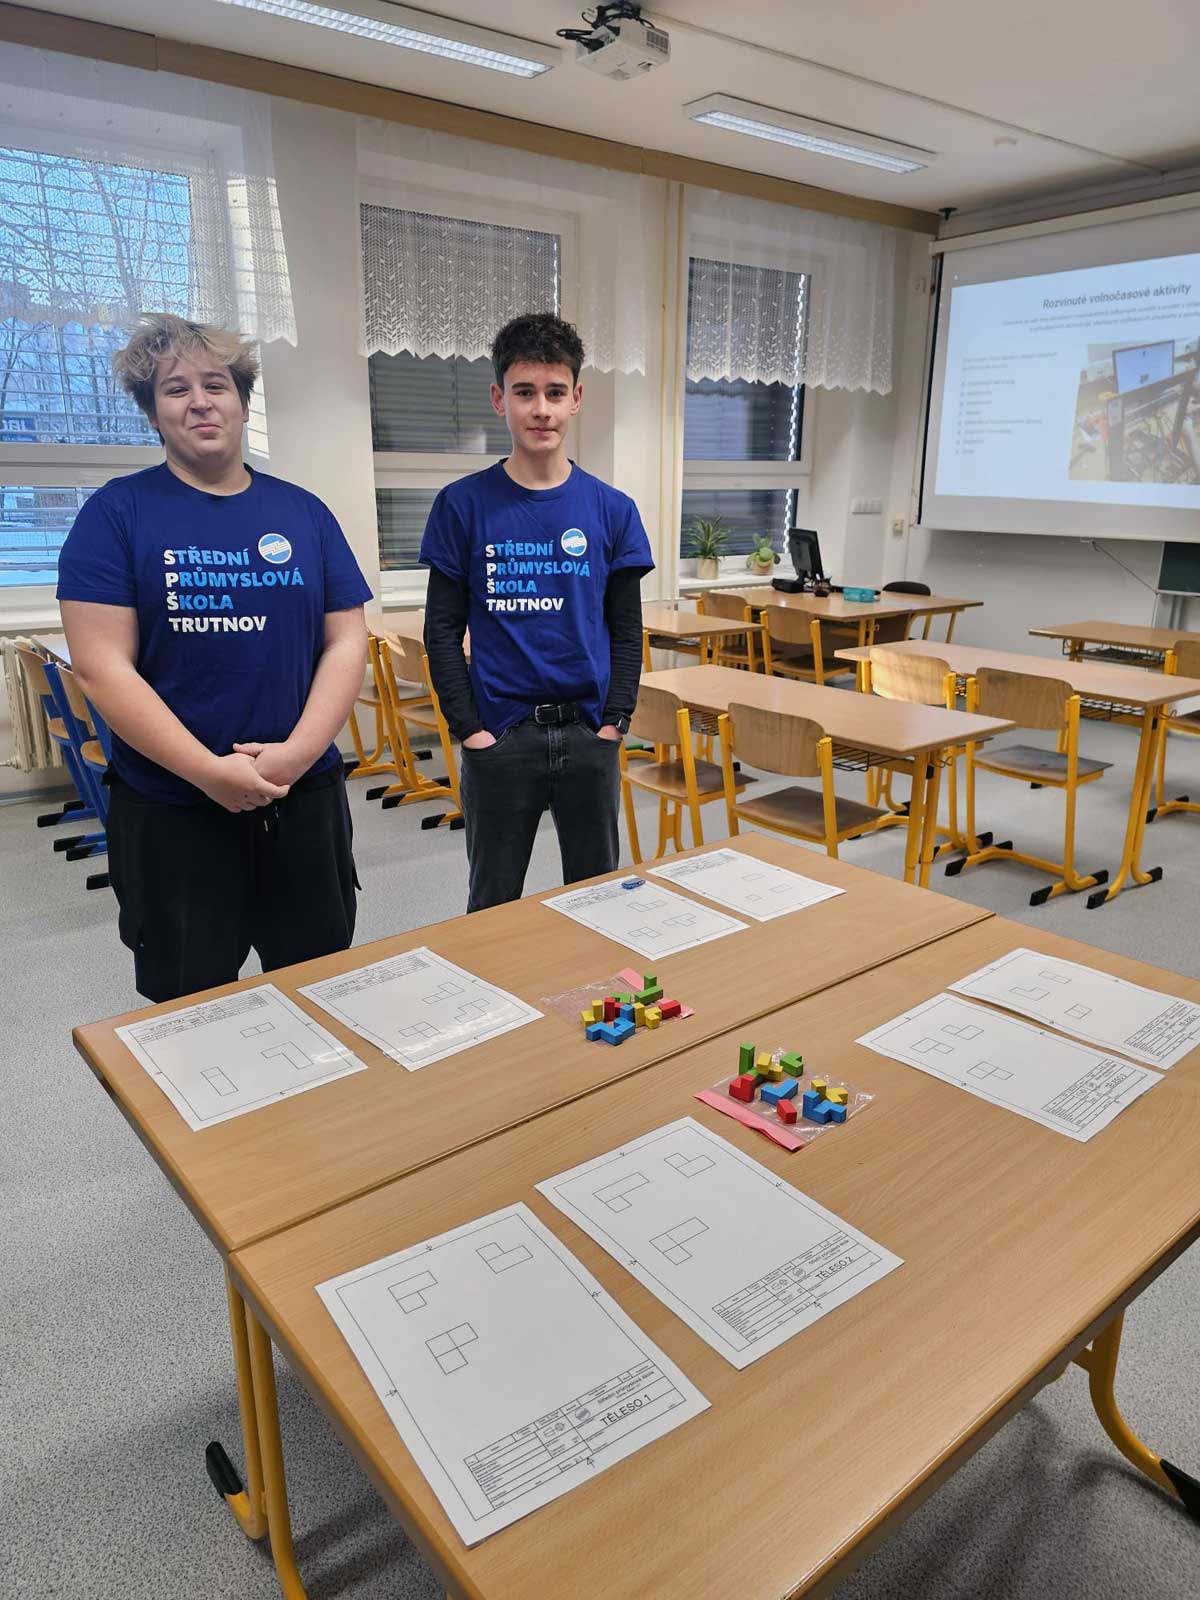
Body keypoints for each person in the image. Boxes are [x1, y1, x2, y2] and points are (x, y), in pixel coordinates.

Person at [57, 313, 372, 1002]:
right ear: (153, 412)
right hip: (175, 809)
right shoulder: (115, 515)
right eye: (176, 389)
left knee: (320, 987)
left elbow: (347, 642)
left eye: (216, 384)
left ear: (243, 402)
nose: (199, 401)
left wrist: (295, 754)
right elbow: (102, 667)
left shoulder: (305, 514)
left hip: (301, 799)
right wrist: (208, 772)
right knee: (188, 1003)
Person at [421, 312, 653, 911]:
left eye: (555, 392)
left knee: (598, 901)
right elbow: (441, 632)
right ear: (499, 399)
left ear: (576, 398)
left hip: (588, 734)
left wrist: (614, 722)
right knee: (493, 905)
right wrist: (470, 731)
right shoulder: (461, 505)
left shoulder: (612, 509)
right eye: (524, 392)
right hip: (501, 737)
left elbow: (627, 631)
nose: (541, 409)